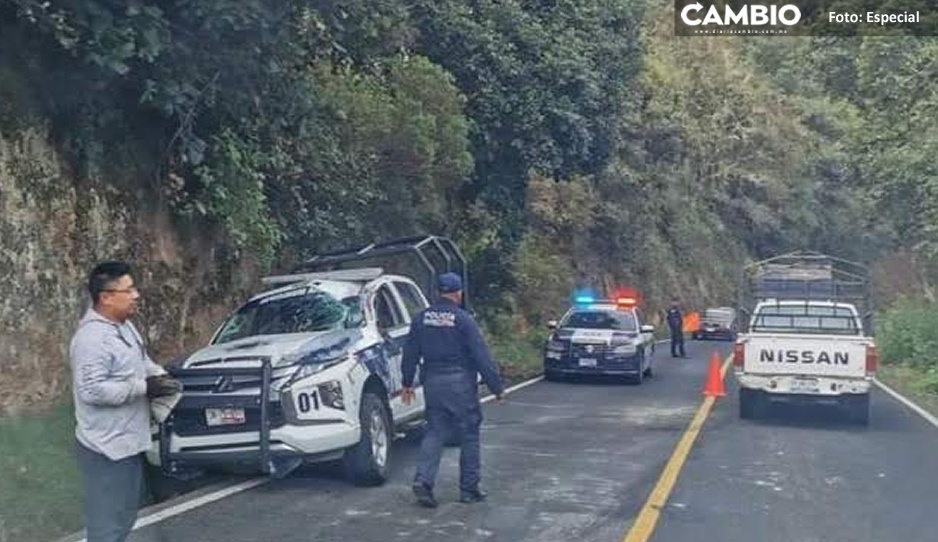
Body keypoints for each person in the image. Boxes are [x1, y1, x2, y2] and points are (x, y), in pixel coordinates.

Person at [69, 261, 181, 542]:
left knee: (125, 518)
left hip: (128, 443)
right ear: (106, 297)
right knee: (107, 527)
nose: (136, 295)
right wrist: (142, 388)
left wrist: (163, 379)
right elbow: (91, 391)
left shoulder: (126, 328)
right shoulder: (91, 339)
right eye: (128, 290)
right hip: (104, 449)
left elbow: (141, 361)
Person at [401, 272, 505, 508]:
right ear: (458, 293)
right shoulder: (463, 319)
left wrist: (407, 383)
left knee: (435, 431)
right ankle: (469, 490)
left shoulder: (421, 319)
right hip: (460, 383)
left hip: (433, 382)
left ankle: (423, 481)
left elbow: (410, 353)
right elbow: (481, 356)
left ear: (438, 292)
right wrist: (496, 386)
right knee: (469, 432)